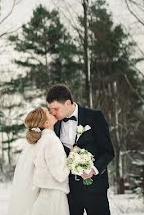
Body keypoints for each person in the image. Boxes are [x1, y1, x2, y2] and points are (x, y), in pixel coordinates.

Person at [47, 84, 115, 215]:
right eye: (51, 110)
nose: (53, 113)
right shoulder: (54, 126)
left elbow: (108, 152)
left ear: (67, 103)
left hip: (95, 188)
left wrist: (93, 170)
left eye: (56, 109)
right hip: (69, 190)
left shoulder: (95, 117)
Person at [7, 107, 70, 215]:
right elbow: (60, 175)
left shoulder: (39, 141)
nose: (52, 113)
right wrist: (73, 157)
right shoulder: (52, 140)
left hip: (43, 196)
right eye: (49, 113)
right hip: (54, 198)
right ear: (46, 123)